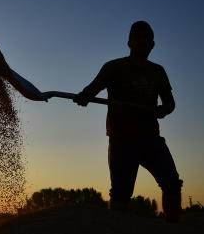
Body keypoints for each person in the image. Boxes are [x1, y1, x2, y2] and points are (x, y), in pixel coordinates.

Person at [73, 21, 183, 222]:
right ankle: (117, 226)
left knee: (171, 183)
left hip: (150, 138)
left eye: (146, 40)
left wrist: (163, 110)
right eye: (138, 39)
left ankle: (173, 225)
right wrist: (84, 96)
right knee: (121, 194)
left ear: (152, 44)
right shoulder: (114, 67)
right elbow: (93, 88)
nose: (142, 43)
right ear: (129, 42)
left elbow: (170, 103)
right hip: (121, 139)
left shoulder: (157, 72)